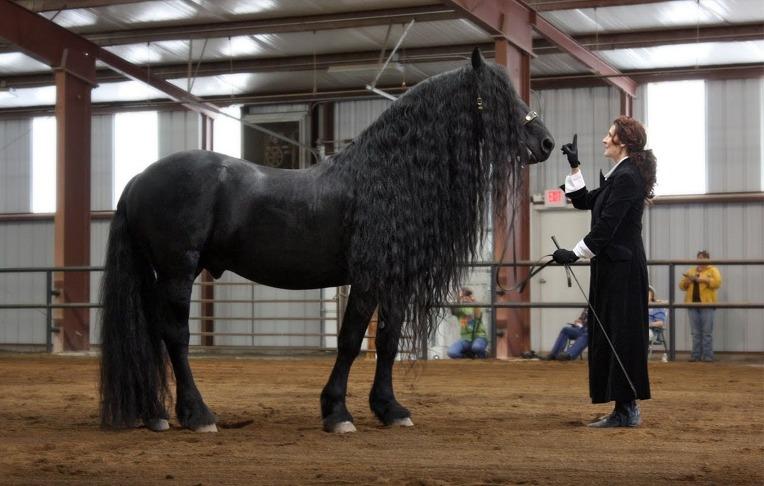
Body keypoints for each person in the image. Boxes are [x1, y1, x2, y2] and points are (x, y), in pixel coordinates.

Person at [552, 116, 656, 428]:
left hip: (623, 270)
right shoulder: (618, 177)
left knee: (621, 335)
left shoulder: (627, 178)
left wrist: (574, 252)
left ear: (623, 142)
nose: (604, 140)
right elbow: (585, 201)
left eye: (609, 135)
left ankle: (627, 410)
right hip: (611, 268)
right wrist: (574, 167)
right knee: (610, 333)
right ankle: (621, 408)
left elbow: (607, 226)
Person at [679, 250, 722, 362]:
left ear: (707, 259)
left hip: (707, 304)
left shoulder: (713, 270)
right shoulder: (691, 270)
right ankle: (695, 355)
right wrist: (688, 281)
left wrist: (701, 279)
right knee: (695, 332)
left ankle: (708, 356)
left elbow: (717, 282)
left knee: (707, 332)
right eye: (698, 258)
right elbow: (682, 286)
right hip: (692, 304)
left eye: (702, 258)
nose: (699, 261)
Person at [447, 288, 488, 359]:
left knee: (477, 347)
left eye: (466, 296)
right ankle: (467, 358)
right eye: (462, 296)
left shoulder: (475, 306)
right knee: (452, 352)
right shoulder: (460, 308)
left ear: (470, 296)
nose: (464, 298)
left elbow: (477, 314)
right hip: (465, 339)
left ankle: (483, 358)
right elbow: (453, 310)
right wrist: (457, 299)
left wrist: (473, 300)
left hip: (479, 337)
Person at [647, 285, 669, 362]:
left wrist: (648, 324)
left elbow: (660, 323)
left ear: (652, 295)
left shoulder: (657, 306)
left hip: (651, 329)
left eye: (647, 294)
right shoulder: (636, 306)